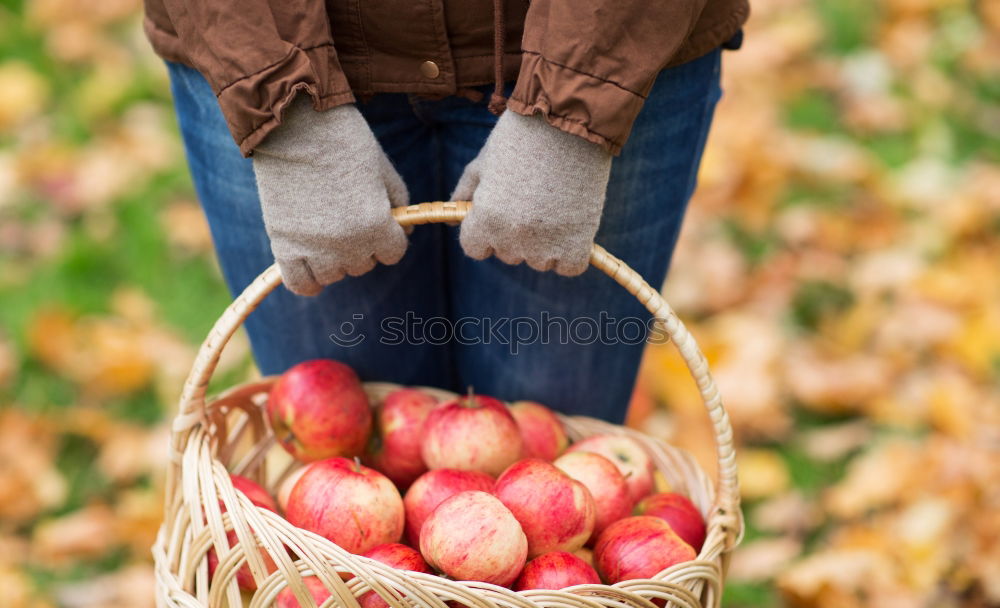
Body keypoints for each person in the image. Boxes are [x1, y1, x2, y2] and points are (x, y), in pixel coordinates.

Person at [144, 0, 748, 423]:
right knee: (337, 459)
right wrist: (282, 103)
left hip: (610, 47)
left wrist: (576, 98)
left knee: (560, 450)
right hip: (269, 45)